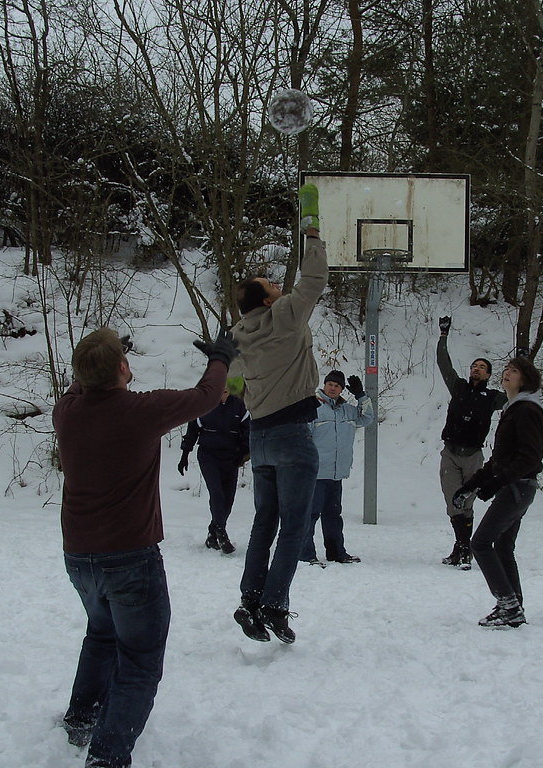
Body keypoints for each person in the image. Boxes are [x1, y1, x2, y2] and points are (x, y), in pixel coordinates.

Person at [53, 326, 237, 767]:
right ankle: (108, 757)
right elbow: (207, 396)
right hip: (130, 559)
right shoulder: (140, 410)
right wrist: (221, 358)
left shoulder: (67, 411)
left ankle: (80, 720)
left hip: (79, 558)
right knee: (139, 662)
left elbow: (86, 381)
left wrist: (100, 361)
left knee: (100, 634)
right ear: (122, 367)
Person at [229, 183, 328, 645]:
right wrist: (311, 226)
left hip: (260, 439)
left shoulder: (239, 333)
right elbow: (314, 280)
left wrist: (233, 386)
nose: (279, 284)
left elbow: (231, 378)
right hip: (291, 435)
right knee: (294, 525)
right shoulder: (285, 315)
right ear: (267, 300)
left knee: (263, 522)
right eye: (272, 285)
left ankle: (250, 598)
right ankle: (274, 603)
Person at [453, 355, 543, 629]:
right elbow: (499, 459)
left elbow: (529, 458)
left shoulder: (527, 410)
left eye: (513, 371)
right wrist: (472, 484)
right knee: (504, 547)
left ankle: (508, 605)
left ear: (525, 380)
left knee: (480, 543)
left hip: (518, 488)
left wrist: (497, 483)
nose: (506, 373)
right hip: (515, 486)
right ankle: (513, 605)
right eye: (506, 369)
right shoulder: (513, 409)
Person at [435, 316, 507, 569]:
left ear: (488, 375)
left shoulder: (493, 398)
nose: (476, 369)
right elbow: (443, 363)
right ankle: (464, 547)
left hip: (474, 455)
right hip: (451, 452)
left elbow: (519, 394)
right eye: (474, 366)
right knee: (453, 499)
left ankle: (462, 549)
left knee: (466, 502)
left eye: (481, 367)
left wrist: (523, 361)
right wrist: (443, 336)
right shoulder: (459, 387)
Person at [300, 370, 375, 566]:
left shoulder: (348, 411)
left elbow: (367, 418)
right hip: (315, 473)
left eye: (337, 385)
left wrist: (361, 396)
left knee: (333, 514)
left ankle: (336, 552)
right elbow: (302, 437)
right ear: (324, 386)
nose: (333, 388)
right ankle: (305, 553)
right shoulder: (313, 407)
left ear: (342, 389)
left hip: (336, 473)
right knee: (311, 514)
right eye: (330, 384)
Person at [177, 380, 250, 554]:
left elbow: (247, 432)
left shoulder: (239, 406)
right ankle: (221, 533)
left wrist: (242, 452)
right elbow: (192, 431)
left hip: (231, 457)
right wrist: (185, 454)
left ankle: (212, 533)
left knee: (228, 499)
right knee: (217, 494)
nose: (223, 389)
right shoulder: (204, 406)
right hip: (209, 456)